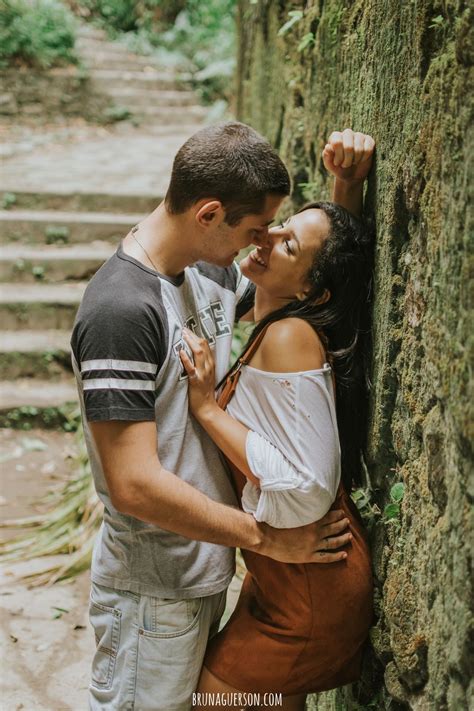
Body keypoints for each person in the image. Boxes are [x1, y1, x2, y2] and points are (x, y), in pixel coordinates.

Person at [71, 122, 360, 711]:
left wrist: (345, 188)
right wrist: (268, 540)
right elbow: (132, 484)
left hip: (203, 573)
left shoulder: (208, 274)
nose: (261, 243)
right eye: (254, 229)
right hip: (152, 593)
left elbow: (306, 281)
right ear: (209, 215)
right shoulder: (121, 311)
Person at [179, 132, 375, 710]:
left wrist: (206, 409)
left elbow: (303, 486)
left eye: (287, 244)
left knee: (212, 701)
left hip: (308, 587)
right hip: (286, 582)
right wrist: (346, 188)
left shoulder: (290, 336)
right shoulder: (281, 322)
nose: (269, 234)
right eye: (283, 224)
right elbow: (331, 259)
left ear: (312, 289)